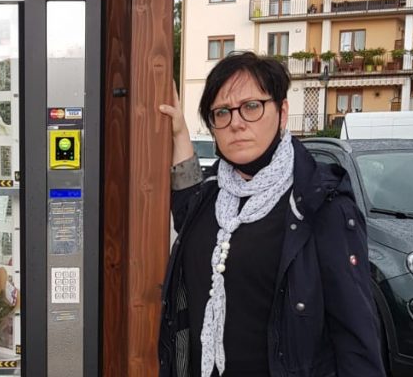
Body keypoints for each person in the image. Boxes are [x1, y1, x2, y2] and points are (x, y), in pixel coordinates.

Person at [156, 52, 384, 377]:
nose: (236, 123)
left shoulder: (320, 204)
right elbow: (185, 206)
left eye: (251, 106)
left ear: (282, 112)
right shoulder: (210, 197)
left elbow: (355, 333)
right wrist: (179, 133)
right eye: (222, 112)